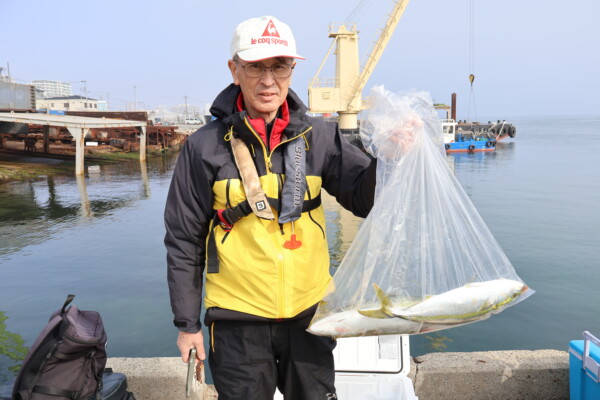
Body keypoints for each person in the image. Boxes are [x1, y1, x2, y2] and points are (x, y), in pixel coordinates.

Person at [164, 15, 376, 400]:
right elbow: (183, 239)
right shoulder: (203, 147)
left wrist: (390, 158)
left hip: (310, 315)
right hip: (235, 320)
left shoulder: (321, 137)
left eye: (279, 66)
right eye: (255, 67)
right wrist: (186, 323)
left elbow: (364, 199)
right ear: (234, 69)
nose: (268, 80)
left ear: (292, 70)